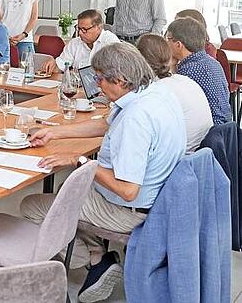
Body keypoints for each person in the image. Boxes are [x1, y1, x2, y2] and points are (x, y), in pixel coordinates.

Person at [21, 42, 185, 302]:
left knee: (33, 205)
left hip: (129, 211)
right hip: (159, 200)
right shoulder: (153, 93)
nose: (97, 86)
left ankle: (77, 263)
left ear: (119, 80)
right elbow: (104, 125)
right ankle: (99, 257)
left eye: (99, 79)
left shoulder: (136, 118)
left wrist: (80, 160)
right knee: (71, 188)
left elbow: (127, 190)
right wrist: (55, 133)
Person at [136, 34, 212, 152]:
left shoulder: (156, 92)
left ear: (139, 62)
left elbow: (141, 131)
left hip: (179, 160)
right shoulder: (184, 80)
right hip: (200, 157)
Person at [166, 17, 232, 124]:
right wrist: (173, 64)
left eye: (167, 39)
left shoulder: (188, 71)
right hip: (225, 131)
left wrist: (170, 66)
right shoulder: (212, 62)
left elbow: (173, 105)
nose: (165, 43)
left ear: (178, 45)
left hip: (208, 133)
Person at [40, 9, 120, 74]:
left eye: (84, 29)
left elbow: (112, 73)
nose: (80, 33)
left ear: (98, 28)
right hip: (77, 88)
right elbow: (61, 65)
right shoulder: (75, 43)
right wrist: (53, 64)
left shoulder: (110, 42)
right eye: (79, 29)